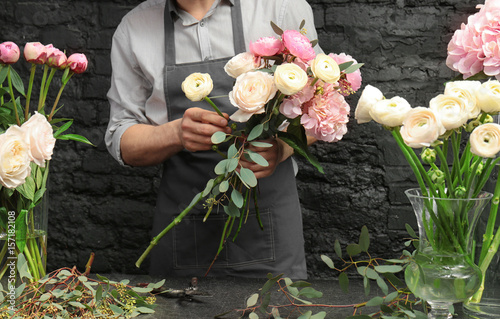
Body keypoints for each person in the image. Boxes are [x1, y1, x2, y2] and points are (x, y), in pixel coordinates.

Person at [105, 0, 321, 279]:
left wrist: (280, 148)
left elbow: (322, 109)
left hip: (271, 233)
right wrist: (174, 134)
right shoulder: (134, 28)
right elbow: (121, 138)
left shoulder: (279, 8)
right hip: (182, 235)